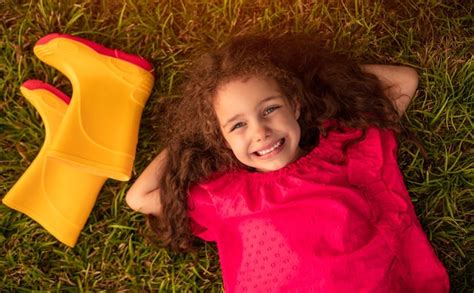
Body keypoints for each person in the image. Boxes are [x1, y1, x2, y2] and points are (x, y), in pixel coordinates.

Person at [125, 34, 450, 292]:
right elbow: (139, 197)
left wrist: (311, 80)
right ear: (221, 137)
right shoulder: (224, 197)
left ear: (295, 104)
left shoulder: (345, 152)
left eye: (269, 109)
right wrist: (191, 140)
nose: (261, 132)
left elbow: (404, 81)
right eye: (237, 125)